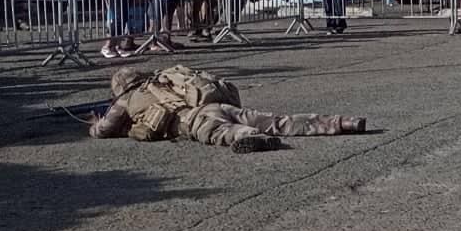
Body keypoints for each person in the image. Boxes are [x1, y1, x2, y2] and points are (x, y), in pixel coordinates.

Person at [89, 65, 367, 153]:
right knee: (276, 120)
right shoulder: (164, 78)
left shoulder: (127, 99)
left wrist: (94, 123)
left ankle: (249, 137)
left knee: (225, 133)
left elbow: (104, 130)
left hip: (193, 120)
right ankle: (340, 122)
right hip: (215, 104)